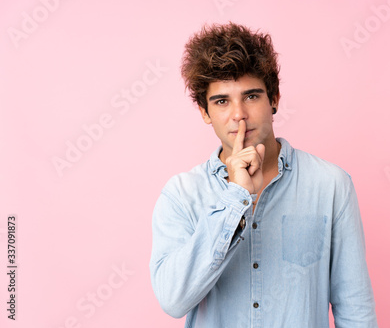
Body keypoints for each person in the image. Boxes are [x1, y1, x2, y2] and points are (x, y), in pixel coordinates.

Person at [149, 22, 378, 328]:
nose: (239, 114)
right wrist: (235, 199)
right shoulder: (181, 194)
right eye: (221, 101)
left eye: (252, 96)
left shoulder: (331, 185)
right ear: (205, 112)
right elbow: (174, 300)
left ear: (275, 99)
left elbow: (355, 308)